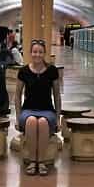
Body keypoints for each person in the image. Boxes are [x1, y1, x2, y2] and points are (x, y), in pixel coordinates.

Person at [15, 39, 61, 176]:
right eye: (35, 52)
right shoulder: (23, 71)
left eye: (40, 52)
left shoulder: (52, 71)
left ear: (44, 53)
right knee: (30, 121)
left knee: (42, 122)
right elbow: (17, 96)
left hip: (47, 111)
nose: (37, 55)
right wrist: (18, 118)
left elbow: (57, 96)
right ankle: (32, 161)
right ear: (30, 53)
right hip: (28, 110)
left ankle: (40, 162)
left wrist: (58, 118)